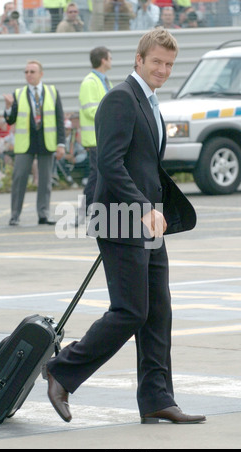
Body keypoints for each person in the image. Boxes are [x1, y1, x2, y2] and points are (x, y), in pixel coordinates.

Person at [46, 28, 206, 425]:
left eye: (169, 64)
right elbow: (110, 164)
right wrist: (141, 207)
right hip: (119, 219)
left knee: (159, 312)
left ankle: (155, 398)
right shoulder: (120, 98)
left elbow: (145, 164)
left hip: (147, 224)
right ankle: (62, 371)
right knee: (131, 310)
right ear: (139, 60)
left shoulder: (150, 102)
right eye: (156, 62)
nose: (163, 70)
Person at [3, 60, 65, 226]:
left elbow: (60, 120)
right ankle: (15, 215)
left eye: (32, 71)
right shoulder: (18, 93)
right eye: (26, 72)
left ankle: (43, 214)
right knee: (19, 179)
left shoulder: (52, 92)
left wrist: (61, 144)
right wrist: (8, 108)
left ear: (40, 74)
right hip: (26, 144)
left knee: (45, 181)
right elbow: (10, 120)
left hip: (46, 142)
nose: (28, 75)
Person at [76, 46, 113, 224]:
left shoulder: (105, 81)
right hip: (95, 139)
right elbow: (90, 110)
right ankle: (83, 212)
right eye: (110, 58)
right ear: (103, 60)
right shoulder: (89, 82)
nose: (111, 61)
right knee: (96, 176)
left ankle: (99, 212)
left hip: (105, 138)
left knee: (103, 176)